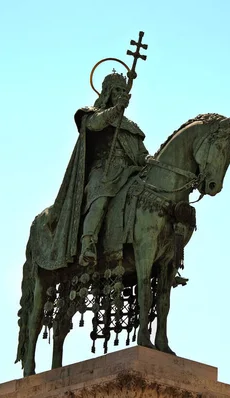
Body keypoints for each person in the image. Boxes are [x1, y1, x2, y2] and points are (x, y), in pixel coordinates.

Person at [75, 72, 149, 266]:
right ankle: (88, 245)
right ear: (107, 92)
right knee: (100, 202)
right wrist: (116, 109)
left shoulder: (132, 126)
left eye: (124, 91)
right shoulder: (92, 114)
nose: (121, 93)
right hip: (104, 172)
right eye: (117, 89)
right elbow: (95, 125)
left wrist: (149, 159)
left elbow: (141, 154)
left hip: (131, 171)